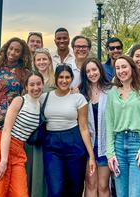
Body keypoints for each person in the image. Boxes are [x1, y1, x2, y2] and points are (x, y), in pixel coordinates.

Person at [105, 55, 140, 197]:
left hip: (139, 145)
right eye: (117, 68)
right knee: (121, 194)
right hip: (118, 147)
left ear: (132, 68)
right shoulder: (112, 93)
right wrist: (110, 153)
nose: (121, 70)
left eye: (124, 67)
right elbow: (109, 124)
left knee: (138, 194)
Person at [0, 72, 44, 197]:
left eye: (39, 84)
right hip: (0, 148)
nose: (35, 88)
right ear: (26, 87)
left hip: (18, 151)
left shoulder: (41, 106)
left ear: (43, 85)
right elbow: (6, 130)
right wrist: (4, 160)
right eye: (31, 84)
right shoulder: (19, 100)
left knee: (20, 193)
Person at [42, 64, 96, 197]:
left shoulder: (78, 98)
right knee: (55, 190)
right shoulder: (45, 97)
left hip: (74, 144)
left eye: (67, 77)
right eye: (61, 77)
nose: (64, 80)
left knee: (75, 188)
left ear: (72, 78)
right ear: (55, 78)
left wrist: (91, 156)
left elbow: (83, 128)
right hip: (51, 146)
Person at [79, 58, 112, 197]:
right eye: (88, 71)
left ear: (100, 70)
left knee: (103, 185)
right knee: (91, 184)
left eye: (94, 69)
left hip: (106, 144)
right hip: (88, 145)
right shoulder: (80, 93)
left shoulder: (111, 90)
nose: (92, 73)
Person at [26, 48, 55, 197]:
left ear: (49, 60)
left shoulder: (56, 82)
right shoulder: (30, 80)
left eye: (45, 59)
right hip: (32, 132)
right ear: (35, 62)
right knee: (31, 169)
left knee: (45, 169)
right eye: (39, 60)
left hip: (49, 132)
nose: (42, 62)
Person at [0, 37, 32, 126]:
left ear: (21, 55)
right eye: (11, 48)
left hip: (11, 119)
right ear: (7, 49)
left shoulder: (25, 73)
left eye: (17, 51)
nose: (12, 52)